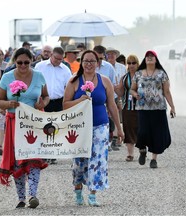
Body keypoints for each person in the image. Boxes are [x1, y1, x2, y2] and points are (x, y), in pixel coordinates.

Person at [63, 50, 124, 206]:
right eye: (86, 61)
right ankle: (78, 191)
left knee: (98, 159)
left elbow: (111, 105)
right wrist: (81, 100)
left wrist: (119, 128)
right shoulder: (74, 81)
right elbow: (65, 105)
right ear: (81, 63)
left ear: (98, 63)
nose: (89, 64)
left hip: (100, 125)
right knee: (79, 161)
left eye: (92, 61)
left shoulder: (104, 81)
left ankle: (93, 194)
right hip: (79, 127)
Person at [0, 48, 49, 208]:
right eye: (20, 62)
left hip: (34, 123)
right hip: (14, 124)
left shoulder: (39, 76)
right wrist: (8, 104)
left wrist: (43, 103)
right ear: (15, 62)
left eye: (27, 62)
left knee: (34, 157)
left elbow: (46, 96)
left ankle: (33, 194)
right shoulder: (7, 77)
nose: (23, 65)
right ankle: (21, 197)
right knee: (18, 159)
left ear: (31, 61)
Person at [130, 50, 176, 168]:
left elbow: (166, 91)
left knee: (157, 134)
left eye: (152, 56)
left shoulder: (162, 74)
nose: (149, 58)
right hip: (142, 108)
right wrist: (135, 95)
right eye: (147, 56)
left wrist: (172, 106)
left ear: (156, 59)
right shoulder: (139, 74)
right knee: (142, 132)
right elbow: (132, 89)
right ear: (145, 60)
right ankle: (142, 150)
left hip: (158, 108)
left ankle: (154, 159)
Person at [35, 46, 72, 164]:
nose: (58, 61)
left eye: (60, 59)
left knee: (55, 127)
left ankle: (53, 153)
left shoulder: (65, 69)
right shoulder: (40, 66)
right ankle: (44, 153)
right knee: (43, 127)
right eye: (56, 58)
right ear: (51, 55)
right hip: (43, 100)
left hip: (58, 101)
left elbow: (69, 86)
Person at [92, 45, 119, 151]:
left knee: (105, 124)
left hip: (104, 101)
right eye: (96, 58)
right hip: (88, 102)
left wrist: (112, 103)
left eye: (101, 58)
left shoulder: (109, 67)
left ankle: (105, 144)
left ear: (104, 56)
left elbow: (113, 86)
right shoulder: (87, 66)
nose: (98, 61)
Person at [114, 55, 140, 162]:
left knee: (141, 129)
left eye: (133, 63)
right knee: (128, 130)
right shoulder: (124, 78)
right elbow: (120, 93)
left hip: (141, 107)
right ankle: (130, 154)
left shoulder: (142, 76)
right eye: (129, 63)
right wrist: (115, 88)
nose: (131, 65)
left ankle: (143, 149)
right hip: (127, 107)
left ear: (137, 64)